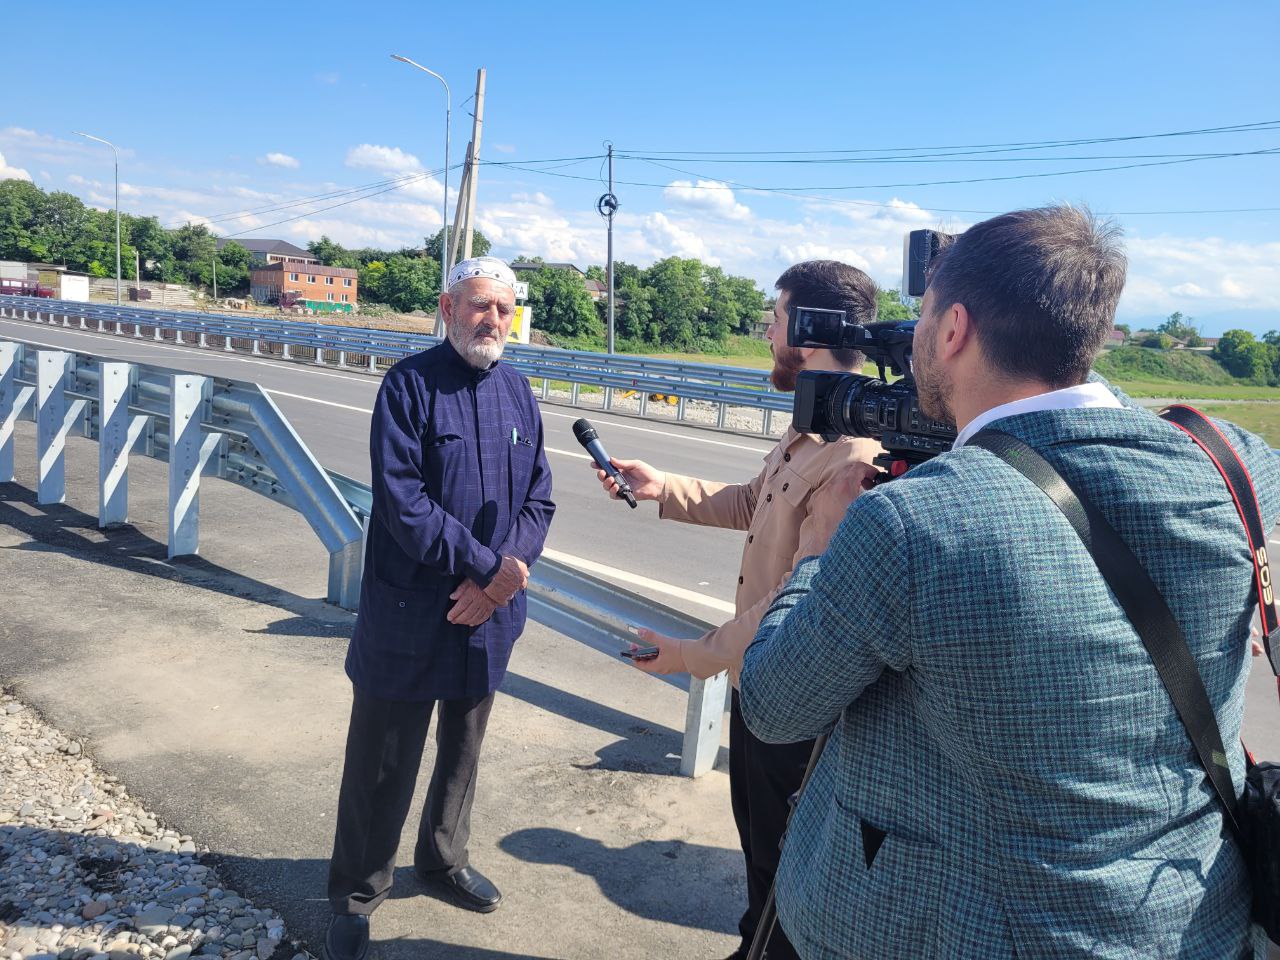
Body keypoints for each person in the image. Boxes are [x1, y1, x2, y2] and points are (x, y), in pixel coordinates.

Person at [738, 205, 1280, 959]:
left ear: (953, 329)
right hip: (1192, 921)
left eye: (922, 317)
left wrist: (820, 551)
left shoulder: (910, 524)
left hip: (966, 930)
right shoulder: (1231, 462)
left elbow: (772, 706)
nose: (915, 335)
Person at [593, 261, 881, 960]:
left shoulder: (856, 453)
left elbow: (800, 602)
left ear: (809, 329)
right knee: (757, 850)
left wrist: (692, 656)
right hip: (760, 687)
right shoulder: (814, 426)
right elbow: (757, 503)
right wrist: (663, 486)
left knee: (788, 864)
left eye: (776, 318)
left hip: (799, 703)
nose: (767, 331)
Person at [324, 257, 555, 960]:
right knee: (384, 760)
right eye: (480, 306)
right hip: (411, 608)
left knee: (463, 750)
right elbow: (402, 503)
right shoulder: (409, 385)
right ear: (447, 306)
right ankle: (356, 896)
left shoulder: (518, 391)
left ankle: (443, 859)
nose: (493, 321)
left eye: (504, 310)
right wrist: (488, 568)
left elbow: (540, 498)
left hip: (488, 613)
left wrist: (499, 585)